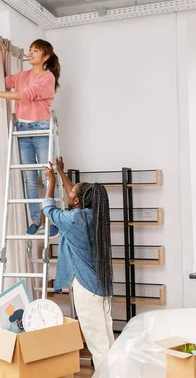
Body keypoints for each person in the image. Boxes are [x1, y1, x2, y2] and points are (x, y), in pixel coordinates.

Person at [0, 39, 61, 237]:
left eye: (36, 51)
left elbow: (25, 95)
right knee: (29, 179)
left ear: (46, 57)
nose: (31, 53)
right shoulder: (22, 75)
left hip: (41, 128)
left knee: (46, 176)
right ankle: (35, 220)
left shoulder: (48, 78)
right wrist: (2, 57)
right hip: (23, 128)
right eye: (30, 50)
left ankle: (52, 220)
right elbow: (6, 80)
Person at [42, 157, 114, 370]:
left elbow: (49, 210)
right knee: (107, 339)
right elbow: (76, 195)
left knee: (98, 344)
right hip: (101, 284)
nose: (70, 191)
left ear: (77, 201)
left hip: (86, 288)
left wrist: (52, 184)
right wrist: (62, 173)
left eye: (72, 192)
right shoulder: (96, 215)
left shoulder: (74, 219)